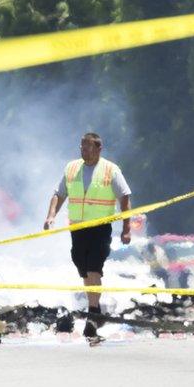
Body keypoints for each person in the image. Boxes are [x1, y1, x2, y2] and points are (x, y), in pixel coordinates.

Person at [44, 132, 132, 339]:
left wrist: (126, 228)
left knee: (94, 267)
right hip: (78, 228)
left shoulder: (111, 170)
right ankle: (95, 310)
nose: (84, 151)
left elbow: (125, 197)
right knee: (82, 266)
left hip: (100, 229)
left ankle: (93, 314)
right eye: (82, 147)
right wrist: (50, 217)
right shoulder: (72, 168)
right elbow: (59, 194)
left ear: (99, 149)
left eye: (88, 148)